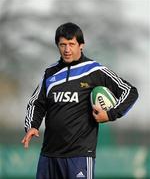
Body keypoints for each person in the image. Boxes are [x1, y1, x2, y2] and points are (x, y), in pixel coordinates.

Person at [21, 22, 138, 179]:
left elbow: (130, 91)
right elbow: (37, 103)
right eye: (62, 45)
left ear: (81, 45)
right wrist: (32, 126)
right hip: (49, 155)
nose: (67, 49)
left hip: (79, 156)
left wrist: (110, 114)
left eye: (71, 44)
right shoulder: (50, 73)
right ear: (57, 45)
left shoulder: (94, 70)